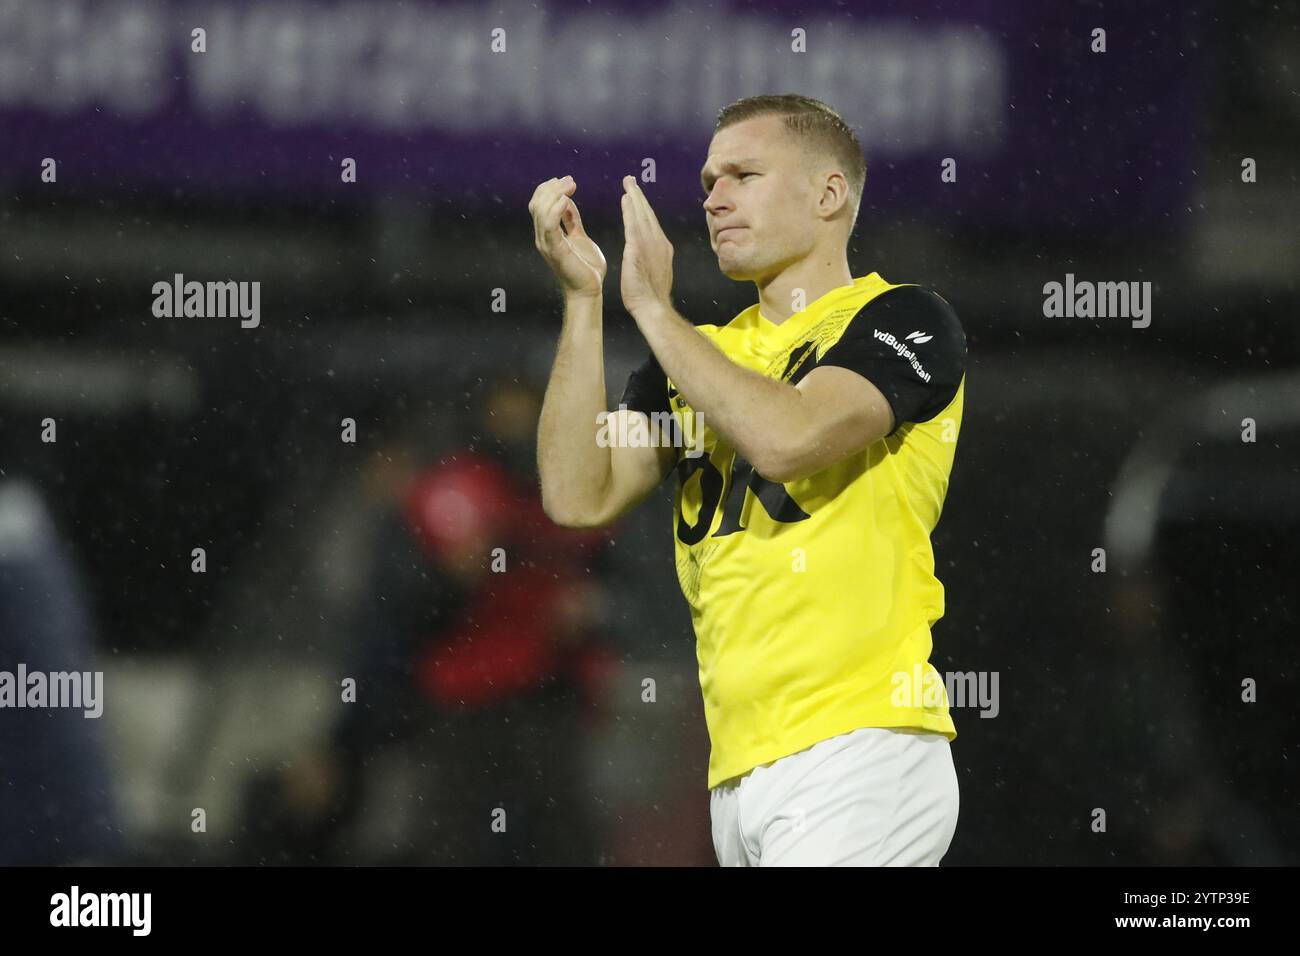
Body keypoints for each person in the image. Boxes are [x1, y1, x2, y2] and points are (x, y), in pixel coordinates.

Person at [533, 93, 966, 866]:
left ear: (829, 194)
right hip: (739, 772)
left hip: (859, 744)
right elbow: (577, 494)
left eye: (744, 174)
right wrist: (583, 301)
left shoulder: (903, 320)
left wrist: (653, 311)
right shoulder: (698, 356)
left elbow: (790, 437)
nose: (714, 198)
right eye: (707, 181)